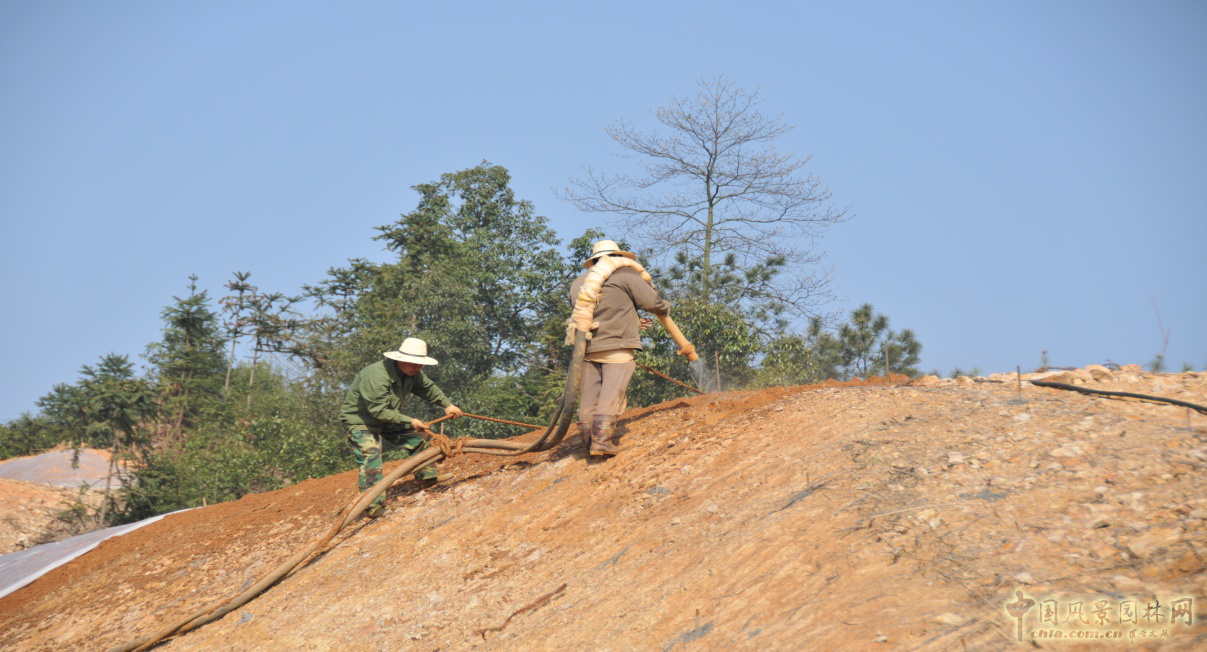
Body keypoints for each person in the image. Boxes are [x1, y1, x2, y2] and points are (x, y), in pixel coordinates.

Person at [339, 337, 462, 517]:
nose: (417, 367)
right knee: (371, 457)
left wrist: (447, 404)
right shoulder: (376, 375)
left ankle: (427, 477)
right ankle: (372, 506)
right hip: (361, 422)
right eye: (414, 363)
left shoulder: (413, 372)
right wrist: (410, 420)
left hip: (387, 418)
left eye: (420, 364)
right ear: (399, 359)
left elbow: (428, 388)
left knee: (421, 439)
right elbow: (378, 411)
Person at [569, 240, 670, 456]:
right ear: (617, 257)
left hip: (587, 349)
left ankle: (587, 441)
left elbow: (591, 313)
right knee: (611, 395)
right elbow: (652, 303)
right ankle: (602, 442)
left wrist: (633, 318)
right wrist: (665, 307)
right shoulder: (625, 275)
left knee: (589, 396)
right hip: (618, 345)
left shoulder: (578, 282)